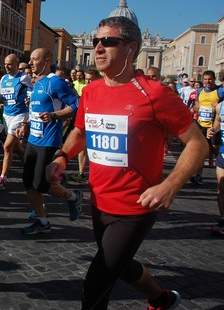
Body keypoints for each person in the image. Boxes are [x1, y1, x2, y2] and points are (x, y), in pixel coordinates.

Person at [46, 16, 208, 310]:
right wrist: (62, 156)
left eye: (109, 41)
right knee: (120, 265)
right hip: (99, 200)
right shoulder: (92, 90)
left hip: (136, 206)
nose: (98, 48)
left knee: (97, 281)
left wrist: (170, 185)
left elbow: (198, 144)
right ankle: (161, 299)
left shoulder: (156, 94)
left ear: (132, 48)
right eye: (96, 41)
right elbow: (81, 131)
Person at [20, 47, 82, 234]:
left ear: (47, 60)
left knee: (41, 184)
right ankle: (42, 220)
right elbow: (38, 109)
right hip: (33, 139)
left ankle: (72, 196)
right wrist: (26, 124)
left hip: (48, 141)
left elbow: (77, 104)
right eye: (30, 59)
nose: (30, 63)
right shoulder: (36, 82)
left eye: (35, 59)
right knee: (28, 183)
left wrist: (55, 115)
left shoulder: (56, 82)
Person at [0, 53, 32, 190]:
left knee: (7, 146)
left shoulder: (24, 77)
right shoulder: (4, 79)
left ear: (16, 64)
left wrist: (29, 99)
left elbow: (33, 91)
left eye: (10, 64)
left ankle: (2, 179)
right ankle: (32, 166)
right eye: (5, 64)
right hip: (7, 115)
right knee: (17, 147)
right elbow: (1, 96)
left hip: (20, 115)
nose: (7, 66)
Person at [70, 68, 102, 184]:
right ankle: (81, 172)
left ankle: (96, 175)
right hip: (86, 122)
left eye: (91, 80)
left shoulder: (103, 90)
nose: (88, 82)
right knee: (82, 148)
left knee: (94, 151)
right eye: (87, 79)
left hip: (99, 125)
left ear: (98, 79)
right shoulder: (85, 90)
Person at [193, 70, 224, 184]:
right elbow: (196, 103)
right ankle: (198, 175)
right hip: (201, 124)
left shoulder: (220, 91)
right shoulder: (200, 90)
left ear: (214, 79)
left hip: (214, 126)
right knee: (200, 149)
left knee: (216, 149)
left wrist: (218, 105)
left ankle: (221, 168)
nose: (207, 81)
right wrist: (197, 106)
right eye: (205, 79)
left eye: (210, 79)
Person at [207, 103, 224, 236]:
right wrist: (213, 129)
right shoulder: (220, 106)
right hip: (223, 154)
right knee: (221, 188)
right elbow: (217, 122)